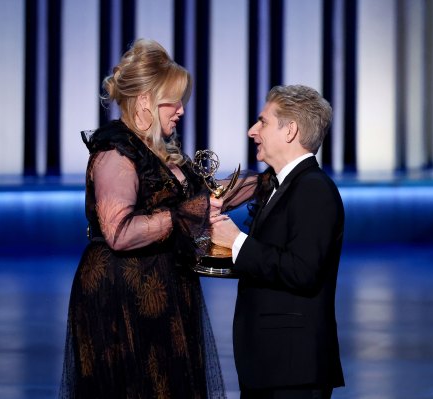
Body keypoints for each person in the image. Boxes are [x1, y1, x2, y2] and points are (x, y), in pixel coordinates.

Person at [59, 39, 227, 398]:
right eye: (174, 101)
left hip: (166, 289)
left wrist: (265, 180)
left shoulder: (160, 151)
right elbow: (119, 233)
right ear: (146, 100)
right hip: (123, 294)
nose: (181, 110)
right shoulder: (115, 152)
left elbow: (205, 197)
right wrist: (184, 215)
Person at [211, 85, 345, 398]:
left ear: (290, 130)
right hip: (270, 365)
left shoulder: (314, 190)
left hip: (292, 368)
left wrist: (237, 242)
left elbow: (303, 270)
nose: (252, 131)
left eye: (263, 122)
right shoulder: (281, 185)